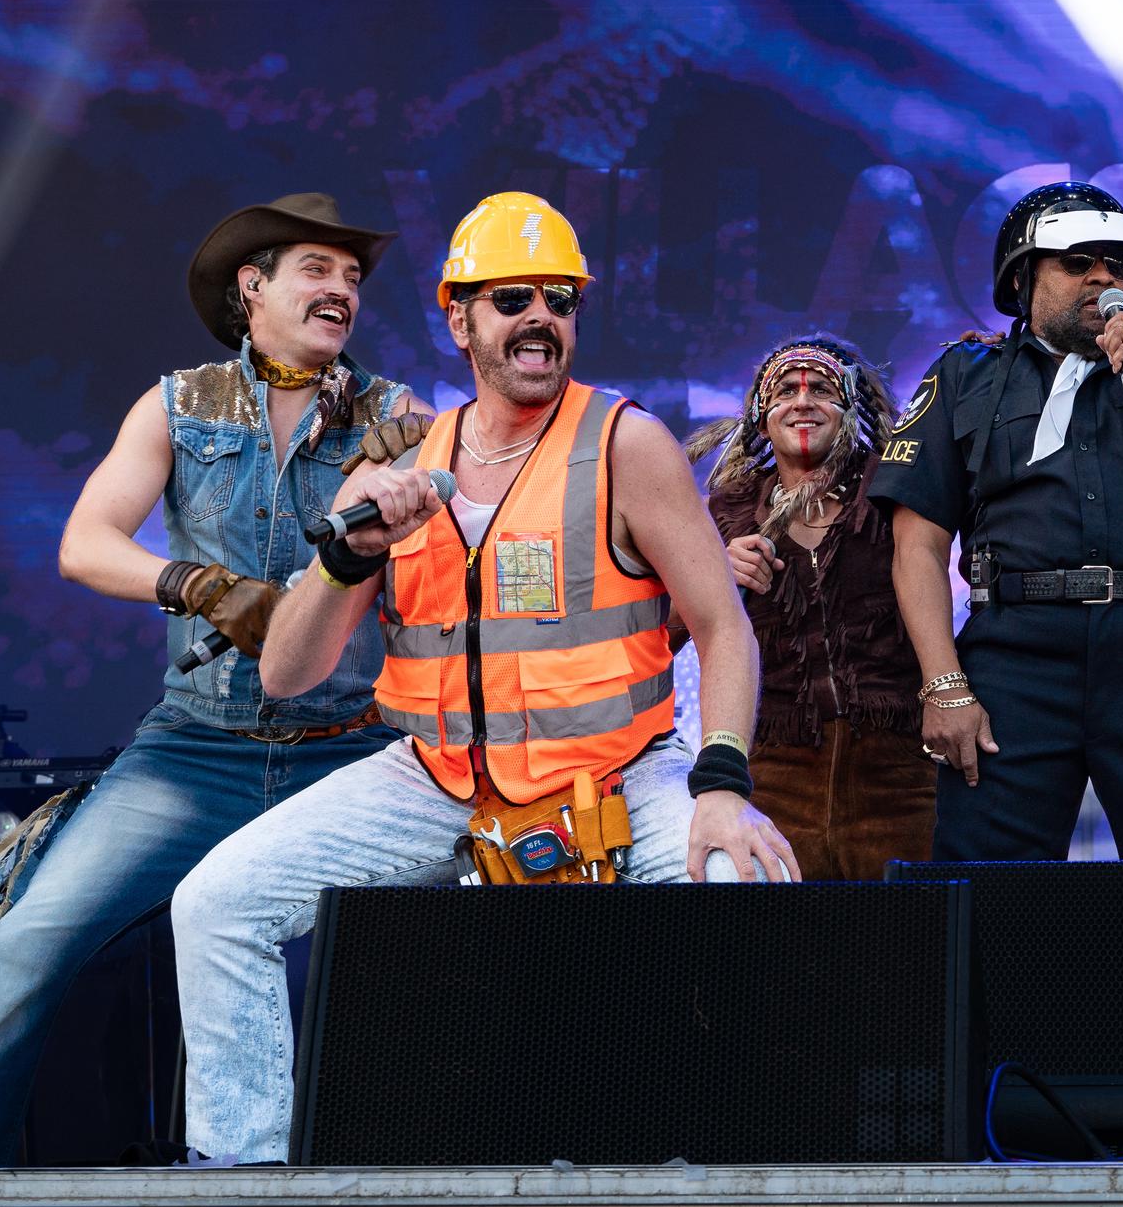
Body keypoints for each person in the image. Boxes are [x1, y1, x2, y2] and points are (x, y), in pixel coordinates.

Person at [170, 192, 797, 1164]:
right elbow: (290, 672)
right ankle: (244, 1172)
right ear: (457, 316)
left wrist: (721, 787)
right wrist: (346, 556)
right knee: (215, 903)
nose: (540, 315)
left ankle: (727, 1172)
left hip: (619, 773)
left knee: (739, 879)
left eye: (560, 297)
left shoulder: (626, 444)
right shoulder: (395, 464)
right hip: (437, 779)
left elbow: (722, 625)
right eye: (512, 298)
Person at [0, 193, 418, 1167]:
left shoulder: (396, 416)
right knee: (24, 944)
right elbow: (84, 543)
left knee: (449, 944)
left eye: (353, 275)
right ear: (252, 286)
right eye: (319, 267)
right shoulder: (178, 403)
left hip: (353, 748)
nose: (342, 286)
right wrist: (196, 581)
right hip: (195, 749)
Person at [870, 180, 1123, 860]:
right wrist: (943, 685)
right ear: (1022, 277)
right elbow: (916, 544)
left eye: (1118, 265)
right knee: (987, 890)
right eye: (1077, 262)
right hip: (1013, 655)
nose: (1102, 277)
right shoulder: (963, 374)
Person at [689, 335, 935, 878]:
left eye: (823, 390)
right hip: (775, 775)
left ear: (851, 411)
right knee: (790, 948)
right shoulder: (726, 508)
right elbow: (666, 629)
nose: (803, 402)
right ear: (760, 417)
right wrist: (716, 575)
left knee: (907, 940)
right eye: (785, 392)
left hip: (899, 772)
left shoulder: (893, 491)